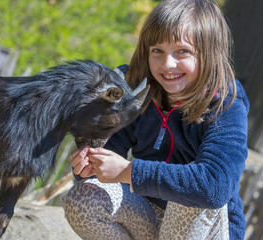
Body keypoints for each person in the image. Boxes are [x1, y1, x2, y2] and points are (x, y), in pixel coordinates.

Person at [62, 0, 249, 239]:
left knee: (192, 192)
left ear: (208, 53)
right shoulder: (136, 89)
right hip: (147, 214)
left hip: (202, 228)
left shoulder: (226, 102)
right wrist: (89, 166)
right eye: (157, 51)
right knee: (84, 197)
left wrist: (130, 171)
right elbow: (108, 161)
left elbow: (215, 187)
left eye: (183, 51)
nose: (167, 64)